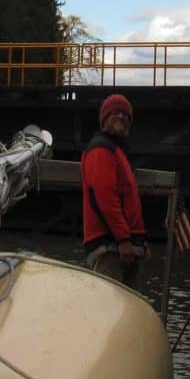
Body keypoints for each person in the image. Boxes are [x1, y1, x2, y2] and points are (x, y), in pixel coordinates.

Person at [81, 93, 147, 289]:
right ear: (104, 119)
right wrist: (124, 240)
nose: (121, 117)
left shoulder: (117, 152)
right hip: (111, 249)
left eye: (126, 114)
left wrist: (138, 240)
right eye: (115, 113)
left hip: (121, 247)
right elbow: (104, 198)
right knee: (110, 311)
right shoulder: (101, 149)